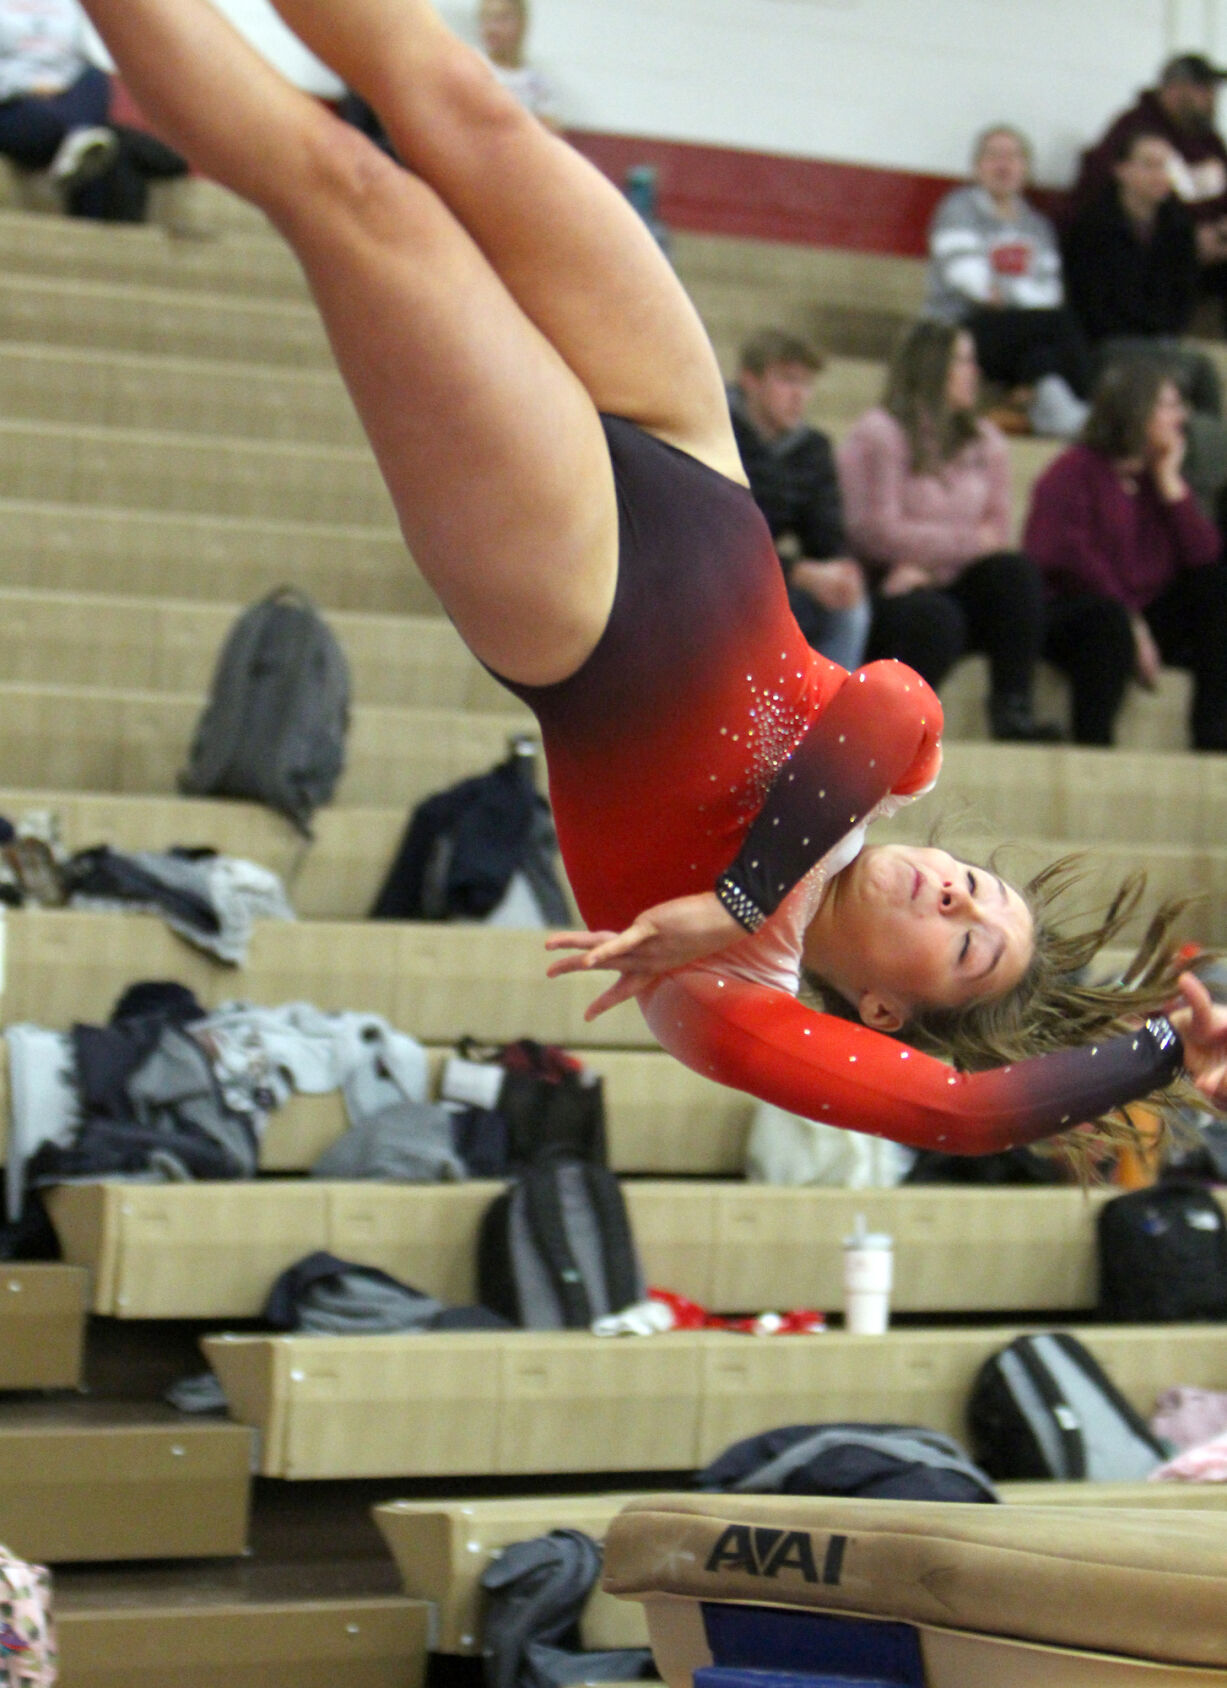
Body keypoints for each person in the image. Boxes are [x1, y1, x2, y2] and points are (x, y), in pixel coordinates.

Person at [75, 0, 1227, 1162]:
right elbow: (893, 697)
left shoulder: (729, 997)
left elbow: (962, 1112)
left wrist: (1167, 1050)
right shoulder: (863, 796)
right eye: (980, 885)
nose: (959, 895)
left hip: (577, 599)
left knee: (359, 194)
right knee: (464, 102)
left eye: (969, 945)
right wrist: (737, 894)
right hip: (694, 452)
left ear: (886, 1011)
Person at [837, 320, 1061, 744]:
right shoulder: (878, 433)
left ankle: (1013, 711)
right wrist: (963, 543)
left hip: (938, 578)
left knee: (1015, 574)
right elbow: (874, 531)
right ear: (932, 364)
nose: (974, 372)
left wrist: (929, 562)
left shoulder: (987, 440)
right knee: (934, 617)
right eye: (963, 361)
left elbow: (996, 533)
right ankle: (895, 736)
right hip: (888, 583)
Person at [1024, 361, 1227, 751]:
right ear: (1137, 409)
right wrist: (1132, 622)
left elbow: (1205, 559)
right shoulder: (1074, 470)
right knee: (1109, 623)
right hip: (1077, 611)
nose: (1182, 417)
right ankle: (1094, 745)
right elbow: (1066, 558)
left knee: (1217, 589)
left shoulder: (1160, 479)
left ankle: (1214, 736)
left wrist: (1171, 485)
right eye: (1170, 406)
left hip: (1144, 612)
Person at [925, 125, 1091, 439]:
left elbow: (1050, 293)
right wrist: (1018, 296)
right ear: (977, 167)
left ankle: (1059, 414)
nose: (1003, 165)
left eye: (1013, 157)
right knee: (1059, 324)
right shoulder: (957, 210)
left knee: (1042, 353)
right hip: (958, 328)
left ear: (1025, 168)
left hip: (1016, 332)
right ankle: (1089, 406)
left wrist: (1006, 293)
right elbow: (972, 282)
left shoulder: (1038, 227)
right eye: (994, 156)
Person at [729, 328, 870, 671]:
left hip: (772, 576)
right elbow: (714, 541)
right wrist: (798, 572)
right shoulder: (717, 432)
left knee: (849, 607)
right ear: (750, 380)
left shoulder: (810, 448)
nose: (799, 395)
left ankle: (828, 705)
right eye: (787, 380)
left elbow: (825, 536)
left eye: (806, 384)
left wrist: (840, 569)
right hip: (714, 576)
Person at [1064, 129, 1219, 415]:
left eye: (1165, 165)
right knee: (1164, 366)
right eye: (1149, 164)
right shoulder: (1093, 226)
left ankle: (1207, 439)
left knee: (1204, 367)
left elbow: (1184, 296)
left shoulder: (1179, 226)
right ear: (1122, 170)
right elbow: (1089, 304)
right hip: (1107, 342)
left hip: (1162, 339)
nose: (1160, 174)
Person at [1074, 54, 1227, 326]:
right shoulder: (1134, 129)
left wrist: (1220, 232)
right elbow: (1108, 199)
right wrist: (1189, 237)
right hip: (1152, 249)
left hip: (1210, 247)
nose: (1211, 99)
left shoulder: (1209, 140)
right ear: (1175, 90)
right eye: (1203, 89)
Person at [0, 0, 184, 222]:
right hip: (12, 103)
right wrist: (24, 85)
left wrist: (60, 88)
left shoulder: (70, 5)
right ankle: (83, 138)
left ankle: (81, 138)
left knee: (94, 80)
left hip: (65, 98)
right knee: (109, 147)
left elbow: (80, 59)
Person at [476, 0, 559, 131]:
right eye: (486, 18)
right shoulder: (471, 70)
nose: (492, 29)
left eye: (502, 19)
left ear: (522, 24)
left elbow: (550, 135)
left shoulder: (538, 83)